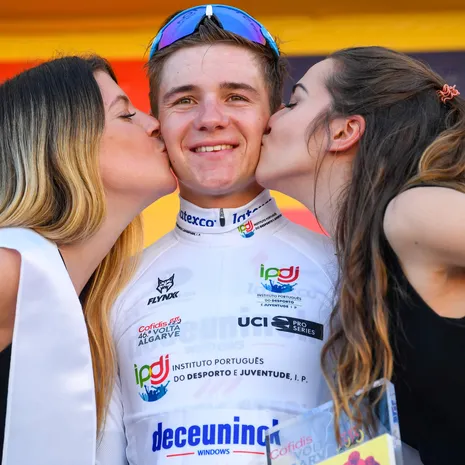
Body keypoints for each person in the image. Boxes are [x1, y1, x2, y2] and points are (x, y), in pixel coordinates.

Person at [96, 5, 337, 465]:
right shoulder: (110, 287)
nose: (210, 119)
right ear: (157, 122)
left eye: (236, 97)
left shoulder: (346, 270)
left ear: (273, 118)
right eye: (184, 100)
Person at [256, 45, 465, 465]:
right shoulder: (366, 263)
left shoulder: (410, 213)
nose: (269, 119)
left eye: (293, 102)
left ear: (343, 132)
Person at [0, 56, 177, 465]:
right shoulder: (11, 269)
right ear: (66, 143)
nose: (154, 124)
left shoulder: (96, 305)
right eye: (126, 114)